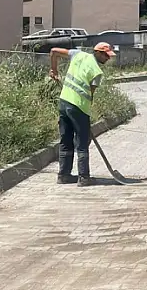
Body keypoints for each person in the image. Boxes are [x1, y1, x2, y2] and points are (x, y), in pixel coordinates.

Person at [48, 42, 116, 187]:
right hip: (79, 107)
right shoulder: (97, 72)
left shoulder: (77, 54)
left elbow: (53, 51)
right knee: (82, 142)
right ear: (97, 52)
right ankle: (84, 177)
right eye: (105, 55)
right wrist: (86, 116)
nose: (107, 58)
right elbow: (90, 94)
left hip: (64, 102)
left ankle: (63, 175)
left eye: (109, 56)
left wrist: (53, 70)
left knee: (66, 140)